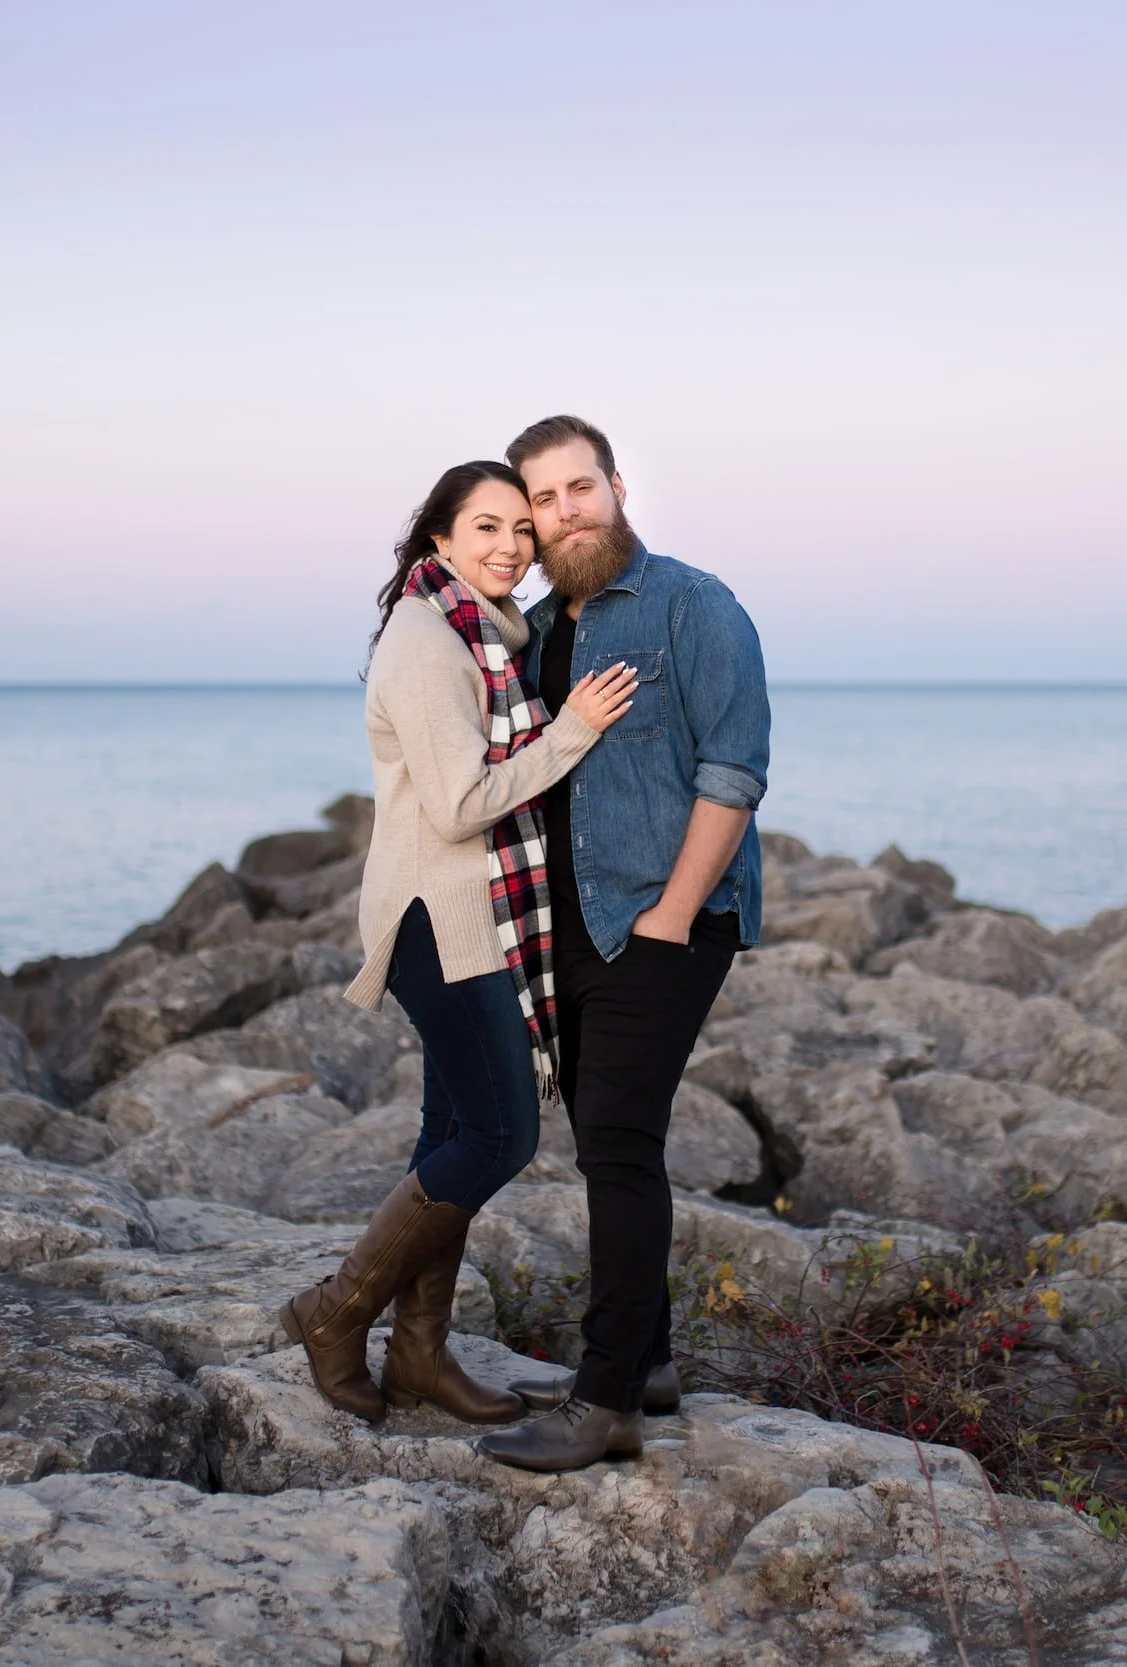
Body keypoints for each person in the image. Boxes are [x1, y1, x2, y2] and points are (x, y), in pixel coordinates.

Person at [280, 460, 639, 1425]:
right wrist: (570, 733)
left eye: (523, 531)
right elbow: (456, 804)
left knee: (449, 1131)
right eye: (487, 528)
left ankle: (421, 1355)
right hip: (440, 920)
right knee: (500, 1133)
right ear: (439, 538)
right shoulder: (429, 641)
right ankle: (337, 1309)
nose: (512, 547)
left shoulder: (484, 631)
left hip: (470, 911)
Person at [477, 416, 771, 1473]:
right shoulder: (539, 627)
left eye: (579, 488)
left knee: (616, 1140)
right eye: (542, 500)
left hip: (669, 915)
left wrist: (671, 916)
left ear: (616, 486)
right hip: (576, 924)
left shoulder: (694, 605)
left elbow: (733, 769)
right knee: (609, 1136)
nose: (565, 512)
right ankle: (643, 1361)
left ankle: (604, 1403)